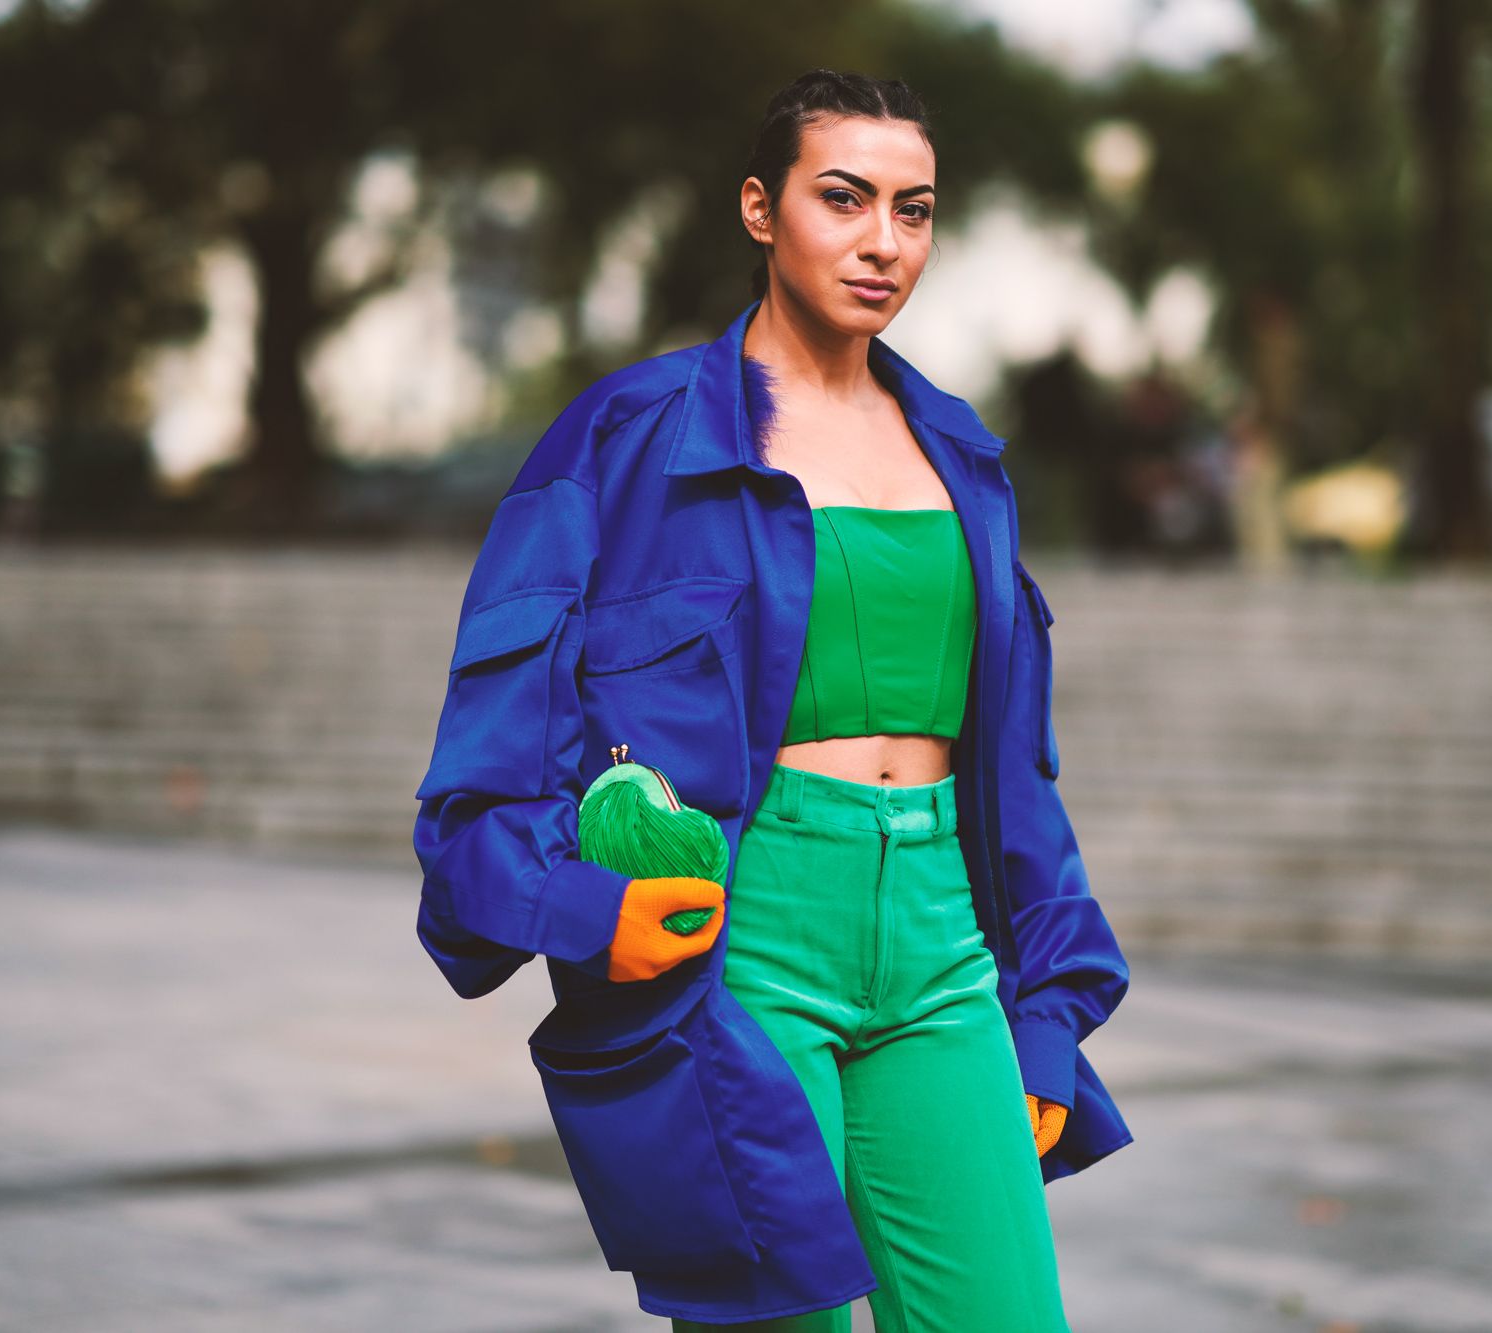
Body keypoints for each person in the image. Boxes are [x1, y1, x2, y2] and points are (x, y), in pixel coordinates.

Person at [412, 69, 1131, 1331]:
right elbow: (489, 752)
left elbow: (1016, 768)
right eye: (842, 199)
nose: (881, 242)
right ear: (759, 208)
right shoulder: (623, 440)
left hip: (943, 951)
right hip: (742, 950)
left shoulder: (961, 454)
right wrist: (578, 910)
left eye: (912, 210)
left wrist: (1049, 1009)